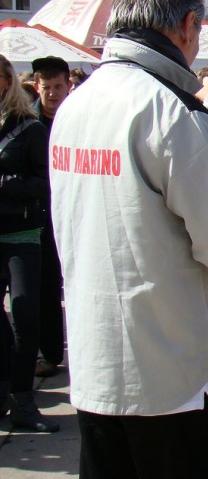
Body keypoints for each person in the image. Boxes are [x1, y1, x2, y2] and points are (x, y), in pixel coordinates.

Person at [49, 0, 208, 478]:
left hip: (100, 367)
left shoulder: (75, 105)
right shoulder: (170, 111)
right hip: (179, 381)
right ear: (189, 25)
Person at [0, 54, 58, 432]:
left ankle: (23, 400)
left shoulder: (30, 129)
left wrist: (6, 185)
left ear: (7, 81)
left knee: (25, 315)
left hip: (23, 234)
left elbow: (45, 184)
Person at [31, 56, 71, 379]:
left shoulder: (77, 118)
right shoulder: (28, 123)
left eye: (59, 86)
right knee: (43, 288)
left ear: (68, 85)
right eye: (47, 87)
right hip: (40, 215)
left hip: (73, 211)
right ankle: (49, 353)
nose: (53, 93)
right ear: (36, 86)